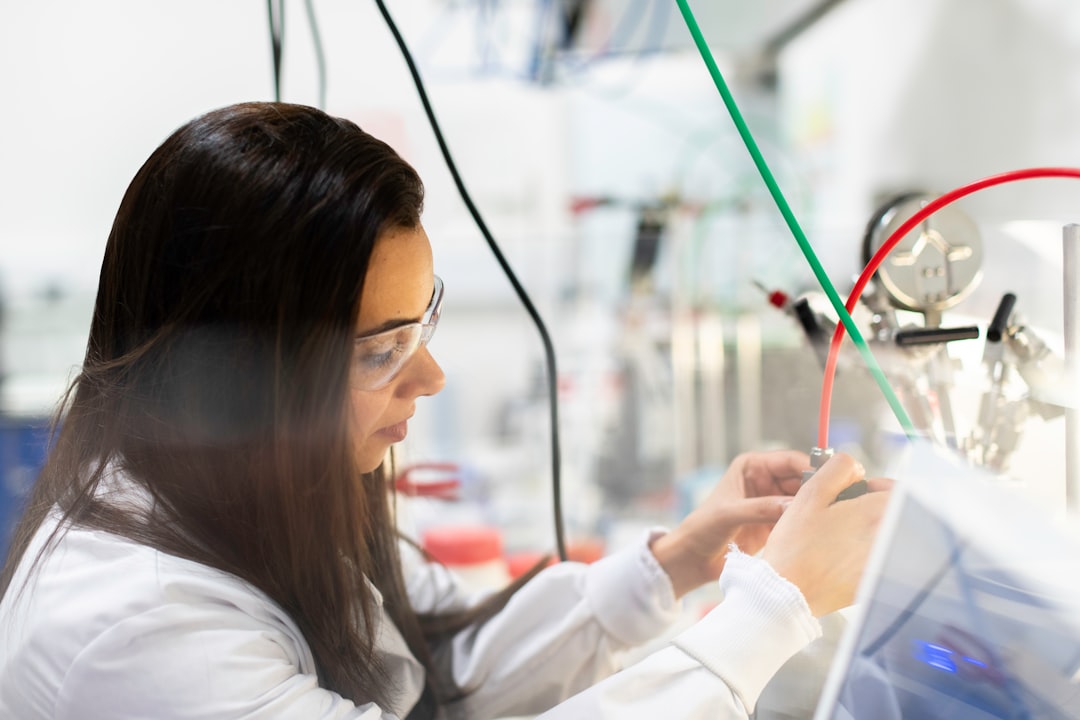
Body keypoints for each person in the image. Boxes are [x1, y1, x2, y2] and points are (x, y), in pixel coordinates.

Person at [0, 102, 890, 719]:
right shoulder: (138, 633)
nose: (428, 376)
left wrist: (681, 561)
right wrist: (776, 606)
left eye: (420, 323)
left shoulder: (256, 488)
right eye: (381, 350)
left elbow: (436, 672)